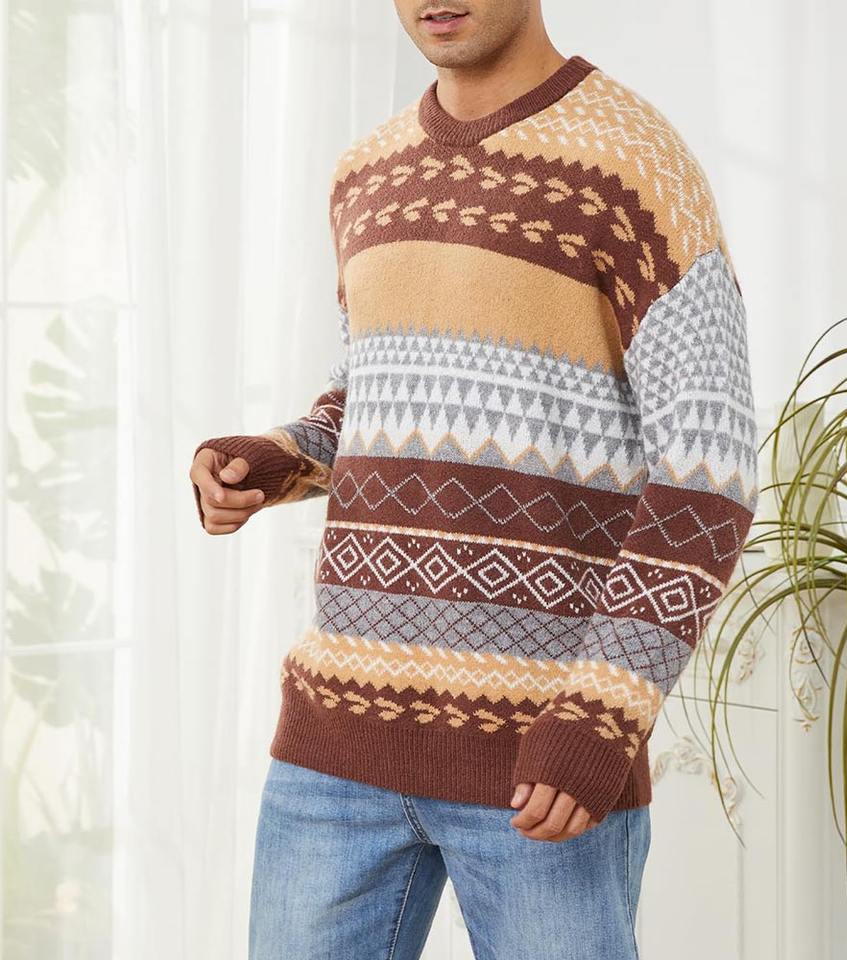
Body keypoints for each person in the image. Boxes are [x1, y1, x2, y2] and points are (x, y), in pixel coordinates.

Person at [188, 2, 759, 957]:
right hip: (336, 747)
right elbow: (376, 394)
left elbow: (712, 471)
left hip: (543, 761)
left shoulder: (636, 166)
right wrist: (280, 457)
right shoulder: (365, 172)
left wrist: (604, 712)